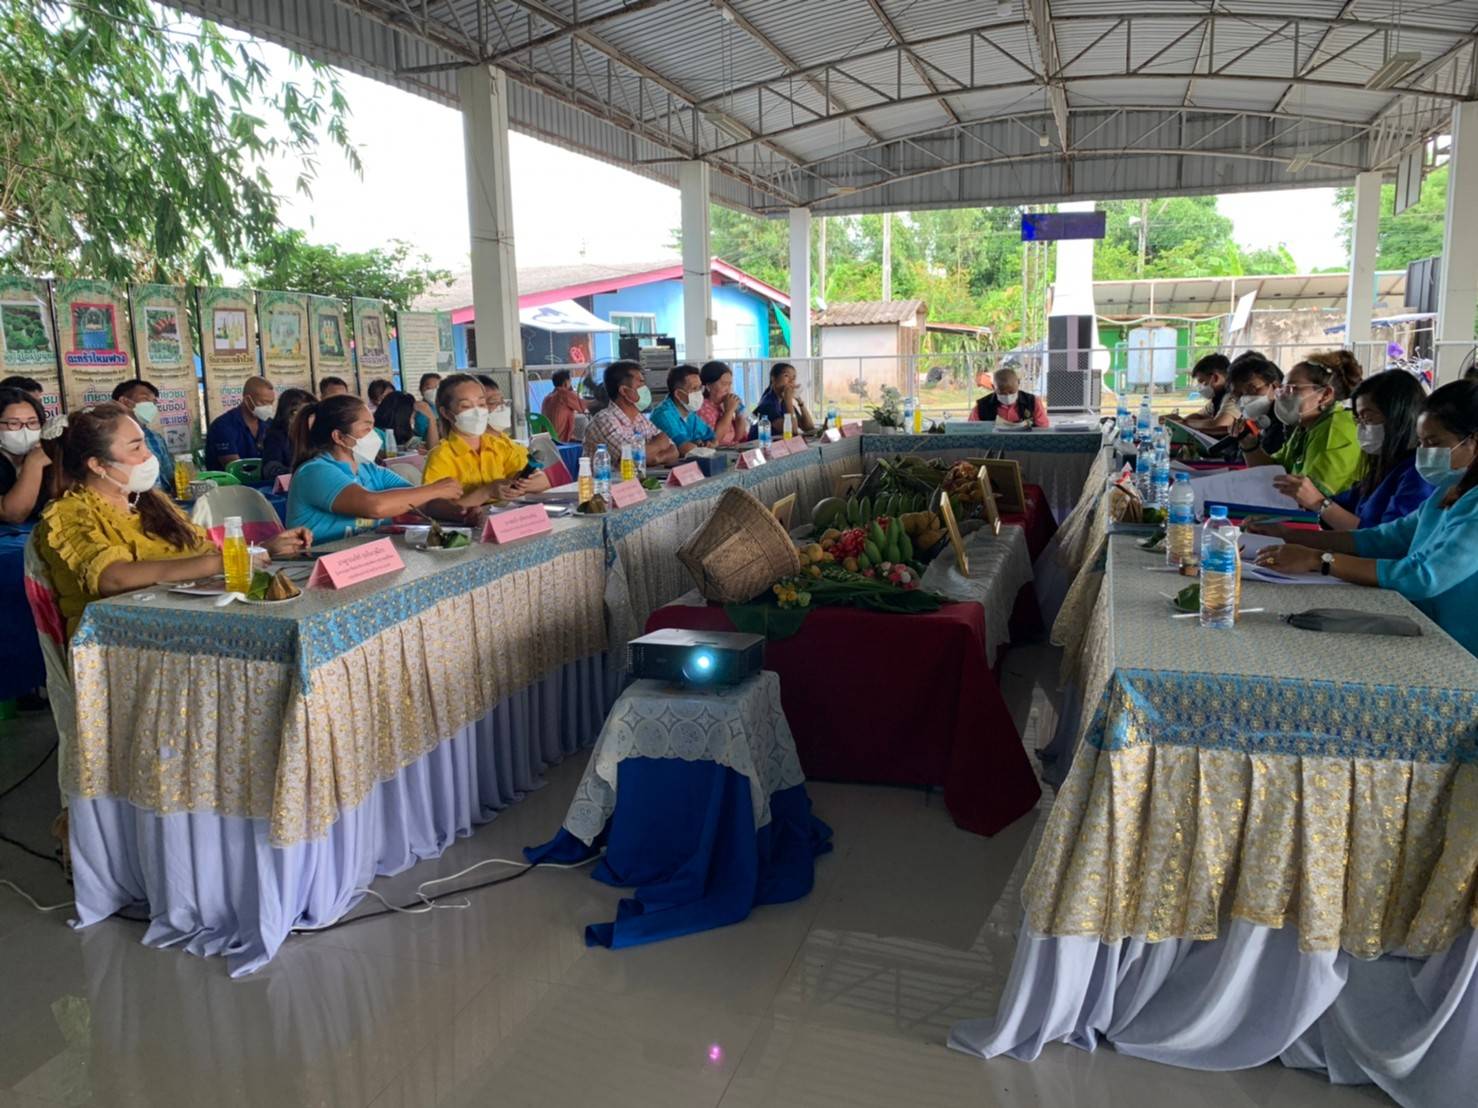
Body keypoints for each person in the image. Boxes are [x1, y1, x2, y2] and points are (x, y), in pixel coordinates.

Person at [36, 404, 311, 639]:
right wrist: (222, 562)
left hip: (187, 621)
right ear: (97, 464)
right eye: (136, 448)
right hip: (120, 636)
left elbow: (202, 554)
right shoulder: (68, 513)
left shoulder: (152, 502)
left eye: (145, 444)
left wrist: (262, 549)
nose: (149, 456)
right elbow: (113, 578)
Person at [1253, 380, 1478, 656]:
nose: (1425, 453)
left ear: (1474, 441)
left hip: (1462, 648)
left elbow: (1424, 575)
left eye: (1434, 443)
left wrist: (1319, 560)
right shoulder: (1449, 490)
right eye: (1421, 443)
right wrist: (1288, 534)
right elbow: (1382, 538)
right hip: (1425, 627)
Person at [1250, 369, 1432, 534]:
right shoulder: (1382, 467)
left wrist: (1319, 503)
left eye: (1368, 419)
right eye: (1358, 420)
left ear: (1398, 416)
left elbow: (1383, 541)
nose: (1361, 428)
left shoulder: (1418, 474)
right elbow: (1341, 506)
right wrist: (1279, 527)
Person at [285, 395, 461, 541]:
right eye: (367, 428)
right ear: (339, 437)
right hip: (321, 564)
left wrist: (463, 511)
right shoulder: (314, 472)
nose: (374, 435)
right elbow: (374, 507)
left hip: (368, 558)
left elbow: (420, 503)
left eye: (373, 427)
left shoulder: (370, 470)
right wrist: (435, 489)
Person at [420, 373, 549, 521]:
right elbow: (433, 507)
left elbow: (542, 481)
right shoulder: (441, 456)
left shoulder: (501, 446)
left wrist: (529, 483)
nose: (477, 412)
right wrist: (486, 492)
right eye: (466, 406)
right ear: (446, 413)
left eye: (482, 404)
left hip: (510, 522)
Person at [1241, 353, 1362, 497]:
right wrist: (1249, 444)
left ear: (1325, 395)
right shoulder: (1305, 427)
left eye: (1292, 388)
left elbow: (1311, 497)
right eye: (1282, 389)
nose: (1282, 395)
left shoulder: (1338, 429)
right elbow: (1272, 472)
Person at [582, 360, 679, 465]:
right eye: (641, 383)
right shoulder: (604, 421)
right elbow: (631, 458)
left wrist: (656, 458)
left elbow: (674, 450)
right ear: (624, 391)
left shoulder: (640, 419)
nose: (646, 388)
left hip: (643, 475)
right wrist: (660, 444)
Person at [110, 380, 173, 492]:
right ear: (124, 401)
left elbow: (170, 476)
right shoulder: (108, 438)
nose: (152, 406)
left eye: (154, 402)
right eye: (145, 399)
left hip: (159, 499)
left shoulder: (156, 438)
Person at [0, 386, 51, 523]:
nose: (25, 430)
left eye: (32, 422)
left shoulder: (47, 456)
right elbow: (12, 515)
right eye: (14, 423)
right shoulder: (37, 459)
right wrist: (34, 464)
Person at [206, 376, 275, 468]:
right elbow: (235, 468)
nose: (268, 407)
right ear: (247, 400)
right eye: (264, 402)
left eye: (271, 403)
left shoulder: (269, 424)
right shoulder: (223, 426)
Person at [1227, 354, 1286, 457]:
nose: (1245, 398)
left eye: (1252, 389)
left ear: (1275, 387)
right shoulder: (1253, 423)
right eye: (1239, 394)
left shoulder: (1284, 424)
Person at [648, 365, 715, 455]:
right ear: (678, 394)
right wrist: (699, 446)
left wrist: (709, 444)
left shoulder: (690, 413)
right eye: (694, 389)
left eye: (700, 388)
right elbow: (685, 449)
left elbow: (712, 438)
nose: (699, 393)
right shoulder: (663, 415)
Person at [1164, 354, 1237, 436]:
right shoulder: (1218, 397)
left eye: (1202, 382)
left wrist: (1186, 423)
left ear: (1215, 377)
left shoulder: (1233, 396)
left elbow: (1219, 424)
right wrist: (1180, 422)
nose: (1200, 387)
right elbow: (1199, 416)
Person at [260, 387, 316, 482]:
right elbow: (271, 469)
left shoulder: (315, 435)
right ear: (291, 415)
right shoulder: (276, 437)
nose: (314, 419)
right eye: (309, 415)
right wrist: (303, 474)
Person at [968, 365, 1049, 426]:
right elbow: (971, 429)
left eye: (1011, 391)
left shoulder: (1032, 402)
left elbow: (1043, 427)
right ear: (993, 387)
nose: (1007, 396)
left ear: (1018, 383)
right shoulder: (982, 406)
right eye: (1002, 393)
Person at [751, 362, 816, 438]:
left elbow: (809, 428)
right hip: (761, 444)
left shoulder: (783, 402)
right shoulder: (768, 404)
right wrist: (788, 400)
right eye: (786, 376)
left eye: (794, 378)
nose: (791, 381)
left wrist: (799, 401)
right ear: (773, 379)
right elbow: (792, 431)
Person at [697, 360, 748, 445]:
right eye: (724, 384)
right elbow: (714, 440)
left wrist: (739, 414)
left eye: (729, 384)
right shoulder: (702, 408)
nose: (728, 389)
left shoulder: (721, 406)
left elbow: (739, 438)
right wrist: (729, 411)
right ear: (708, 386)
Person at [540, 369, 587, 442]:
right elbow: (583, 408)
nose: (571, 383)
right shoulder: (564, 394)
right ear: (566, 382)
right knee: (584, 423)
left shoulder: (547, 398)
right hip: (560, 441)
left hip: (547, 440)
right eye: (570, 380)